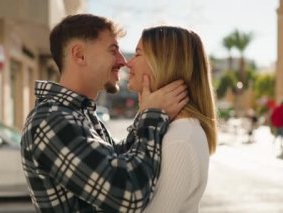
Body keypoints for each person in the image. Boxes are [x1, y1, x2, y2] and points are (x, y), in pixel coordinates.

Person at [20, 14, 188, 212]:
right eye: (113, 50)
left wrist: (148, 113)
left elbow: (120, 160)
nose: (123, 61)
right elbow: (129, 194)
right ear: (79, 55)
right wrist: (152, 115)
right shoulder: (50, 121)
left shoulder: (79, 113)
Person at [126, 26, 217, 212]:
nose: (128, 63)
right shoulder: (171, 129)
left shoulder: (180, 139)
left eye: (137, 54)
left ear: (163, 62)